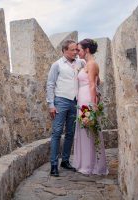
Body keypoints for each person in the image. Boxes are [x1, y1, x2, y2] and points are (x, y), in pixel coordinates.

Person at [46, 39, 85, 177]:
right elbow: (50, 84)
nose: (76, 52)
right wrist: (51, 105)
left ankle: (66, 161)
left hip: (75, 102)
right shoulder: (56, 65)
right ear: (64, 50)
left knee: (70, 133)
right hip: (61, 101)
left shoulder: (81, 62)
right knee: (56, 133)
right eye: (73, 50)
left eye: (77, 49)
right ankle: (54, 165)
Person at [73, 39, 108, 175]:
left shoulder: (92, 64)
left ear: (86, 50)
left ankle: (91, 165)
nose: (77, 52)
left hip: (87, 98)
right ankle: (85, 162)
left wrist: (93, 104)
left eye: (79, 50)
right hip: (82, 98)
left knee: (90, 131)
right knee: (84, 131)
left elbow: (93, 85)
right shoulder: (86, 64)